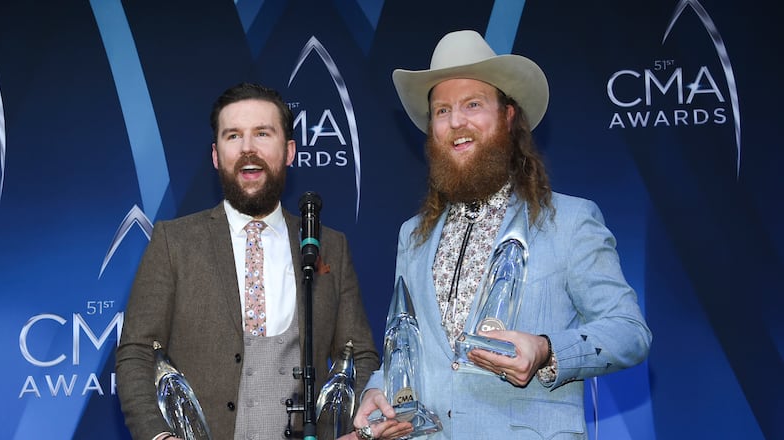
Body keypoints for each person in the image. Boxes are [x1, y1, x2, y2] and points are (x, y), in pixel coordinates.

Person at [351, 30, 653, 439]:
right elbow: (408, 348)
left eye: (472, 105)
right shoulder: (413, 236)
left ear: (508, 117)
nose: (456, 122)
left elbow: (628, 331)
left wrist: (546, 349)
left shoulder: (570, 220)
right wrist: (376, 391)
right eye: (441, 111)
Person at [116, 82, 380, 440]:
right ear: (215, 155)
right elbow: (136, 352)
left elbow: (360, 354)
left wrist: (355, 429)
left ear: (289, 151)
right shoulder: (172, 242)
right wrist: (158, 436)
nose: (248, 149)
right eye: (233, 136)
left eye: (262, 133)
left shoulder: (329, 245)